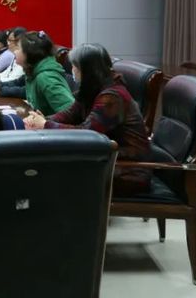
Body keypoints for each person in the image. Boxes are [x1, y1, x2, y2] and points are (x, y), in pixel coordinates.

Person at [24, 43, 151, 195]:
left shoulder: (112, 96)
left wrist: (46, 124)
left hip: (127, 171)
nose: (72, 70)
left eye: (74, 67)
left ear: (87, 70)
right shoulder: (93, 88)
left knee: (50, 170)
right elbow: (69, 114)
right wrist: (40, 120)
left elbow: (88, 134)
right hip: (105, 159)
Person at [17, 31, 74, 116]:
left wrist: (45, 120)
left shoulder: (46, 77)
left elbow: (71, 113)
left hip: (53, 124)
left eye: (18, 48)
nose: (15, 52)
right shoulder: (33, 72)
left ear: (30, 53)